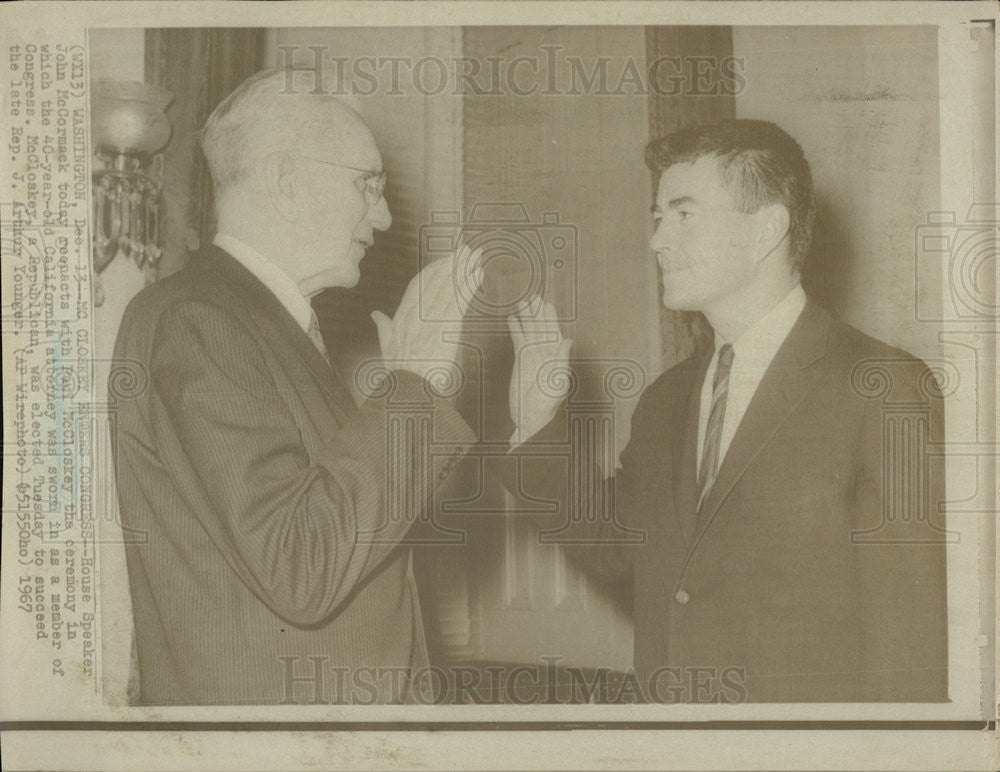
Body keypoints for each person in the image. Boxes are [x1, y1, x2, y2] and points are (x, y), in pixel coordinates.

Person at [506, 119, 948, 702]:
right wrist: (537, 421)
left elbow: (910, 650)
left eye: (684, 215)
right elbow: (617, 551)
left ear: (766, 229)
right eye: (659, 217)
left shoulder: (883, 387)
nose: (658, 240)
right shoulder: (665, 400)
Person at [110, 69, 482, 705]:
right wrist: (410, 394)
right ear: (287, 182)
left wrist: (403, 398)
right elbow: (300, 565)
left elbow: (334, 525)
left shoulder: (262, 323)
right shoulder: (197, 319)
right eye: (368, 185)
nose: (386, 215)